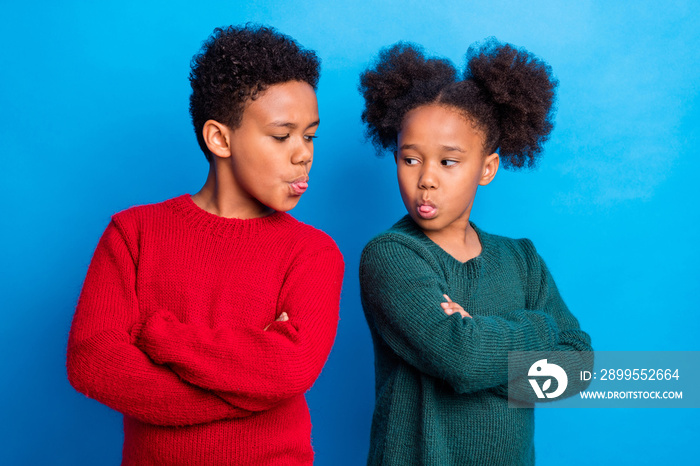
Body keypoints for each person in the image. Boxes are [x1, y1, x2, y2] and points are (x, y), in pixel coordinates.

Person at [67, 24, 344, 466]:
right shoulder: (133, 232)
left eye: (309, 135)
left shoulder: (313, 252)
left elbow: (290, 369)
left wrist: (158, 335)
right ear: (220, 138)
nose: (303, 153)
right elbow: (92, 361)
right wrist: (252, 388)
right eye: (282, 135)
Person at [358, 38, 593, 465]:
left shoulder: (521, 260)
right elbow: (461, 359)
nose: (426, 179)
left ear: (486, 168)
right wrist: (541, 330)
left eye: (448, 162)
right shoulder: (391, 255)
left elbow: (577, 366)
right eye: (410, 160)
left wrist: (483, 344)